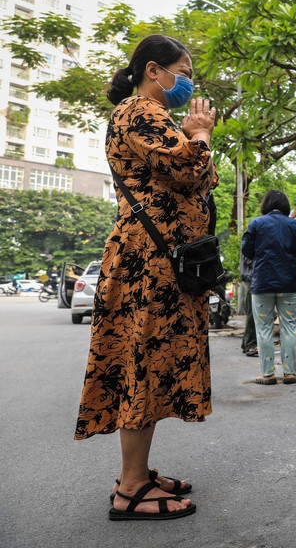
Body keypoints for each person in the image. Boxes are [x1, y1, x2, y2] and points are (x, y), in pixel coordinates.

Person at [75, 34, 217, 520]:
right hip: (148, 264)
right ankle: (131, 487)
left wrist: (196, 146)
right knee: (142, 362)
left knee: (150, 362)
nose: (189, 81)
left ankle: (138, 472)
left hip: (154, 261)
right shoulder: (141, 112)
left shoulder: (154, 117)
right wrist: (199, 136)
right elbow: (191, 168)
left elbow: (204, 177)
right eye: (184, 70)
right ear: (153, 70)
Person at [241, 190, 296, 385]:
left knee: (264, 330)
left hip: (262, 283)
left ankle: (268, 374)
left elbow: (247, 250)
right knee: (289, 328)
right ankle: (290, 373)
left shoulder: (256, 224)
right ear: (285, 206)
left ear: (265, 205)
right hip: (288, 282)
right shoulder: (295, 225)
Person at [239, 253, 258, 356]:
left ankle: (246, 344)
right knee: (253, 313)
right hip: (251, 277)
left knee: (252, 312)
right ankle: (250, 345)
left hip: (251, 277)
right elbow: (249, 259)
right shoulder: (251, 237)